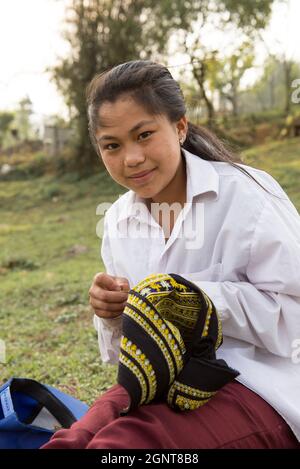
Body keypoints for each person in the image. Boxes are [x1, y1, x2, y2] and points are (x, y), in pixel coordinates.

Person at [42, 60, 300, 449]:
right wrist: (113, 314)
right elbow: (122, 357)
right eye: (112, 145)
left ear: (179, 127)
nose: (131, 158)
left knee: (118, 448)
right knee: (74, 440)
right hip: (162, 380)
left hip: (259, 386)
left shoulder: (248, 198)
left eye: (144, 135)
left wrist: (196, 300)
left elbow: (294, 319)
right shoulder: (118, 220)